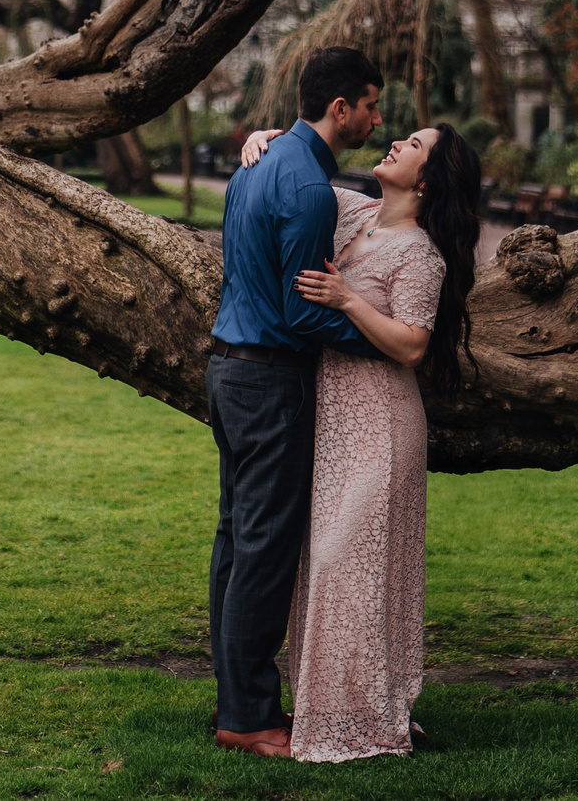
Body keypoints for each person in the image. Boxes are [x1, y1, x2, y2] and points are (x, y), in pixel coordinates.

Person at [240, 118, 482, 763]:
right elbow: (296, 178)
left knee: (353, 565)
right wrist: (265, 139)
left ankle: (365, 720)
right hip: (332, 423)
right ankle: (333, 711)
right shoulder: (353, 212)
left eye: (415, 146)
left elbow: (412, 345)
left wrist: (347, 299)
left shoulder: (420, 254)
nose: (398, 142)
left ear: (428, 180)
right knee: (323, 570)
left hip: (381, 425)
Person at [203, 46, 383, 758]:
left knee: (234, 544)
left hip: (228, 369)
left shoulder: (254, 166)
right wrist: (389, 342)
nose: (377, 116)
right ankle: (248, 717)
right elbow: (303, 311)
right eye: (370, 103)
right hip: (272, 381)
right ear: (339, 108)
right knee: (265, 550)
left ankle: (235, 701)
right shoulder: (306, 184)